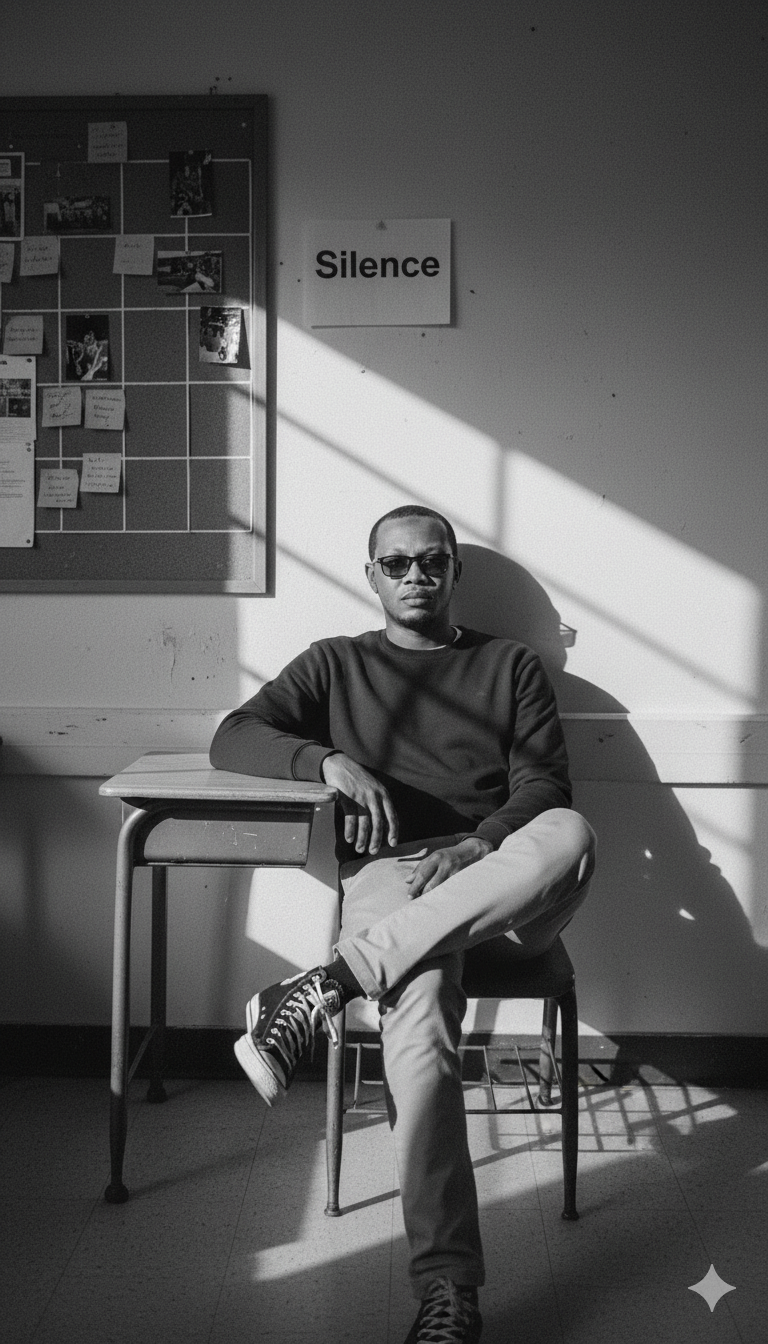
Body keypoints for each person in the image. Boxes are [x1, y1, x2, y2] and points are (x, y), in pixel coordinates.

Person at [210, 505, 595, 1343]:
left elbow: (544, 790)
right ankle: (449, 1290)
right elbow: (232, 736)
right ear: (371, 575)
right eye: (397, 565)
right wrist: (329, 761)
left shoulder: (511, 665)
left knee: (573, 836)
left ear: (454, 572)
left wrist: (476, 847)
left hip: (499, 879)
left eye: (432, 563)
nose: (415, 578)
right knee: (417, 1015)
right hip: (393, 877)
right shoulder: (335, 665)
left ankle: (331, 983)